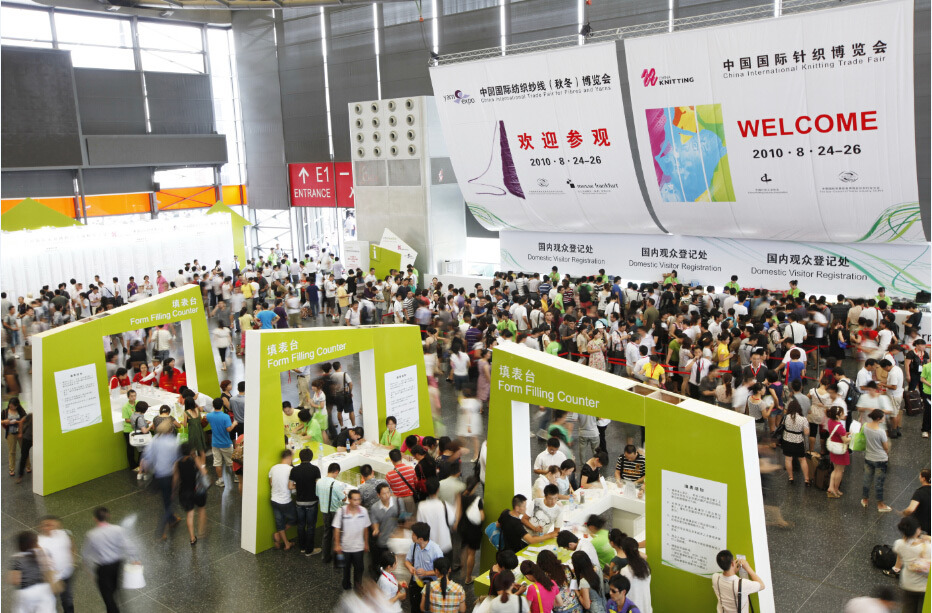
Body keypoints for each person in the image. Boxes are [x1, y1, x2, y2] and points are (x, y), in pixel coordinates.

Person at [81, 507, 137, 613]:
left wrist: (90, 571)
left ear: (95, 519)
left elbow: (85, 555)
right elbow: (128, 544)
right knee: (114, 588)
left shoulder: (91, 535)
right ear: (108, 516)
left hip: (104, 568)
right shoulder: (118, 529)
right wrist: (134, 558)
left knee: (107, 596)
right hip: (117, 564)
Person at [141, 420, 180, 539]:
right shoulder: (173, 443)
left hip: (157, 475)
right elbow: (177, 462)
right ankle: (161, 530)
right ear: (170, 430)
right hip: (169, 475)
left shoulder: (154, 440)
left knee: (166, 499)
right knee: (169, 501)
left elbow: (147, 458)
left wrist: (146, 471)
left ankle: (172, 519)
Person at [8, 530, 57, 613]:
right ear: (35, 543)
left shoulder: (17, 558)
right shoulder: (44, 553)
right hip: (43, 591)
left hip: (24, 594)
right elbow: (50, 572)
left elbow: (15, 581)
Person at [333, 489, 371, 591]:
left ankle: (358, 588)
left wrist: (366, 543)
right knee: (346, 569)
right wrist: (337, 544)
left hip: (358, 547)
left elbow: (366, 528)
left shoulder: (363, 511)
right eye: (355, 500)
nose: (357, 502)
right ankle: (346, 585)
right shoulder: (341, 511)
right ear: (349, 500)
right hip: (345, 547)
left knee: (359, 569)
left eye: (359, 499)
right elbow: (336, 529)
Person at [891, 516, 931, 612]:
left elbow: (902, 547)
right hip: (924, 586)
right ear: (917, 530)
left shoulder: (899, 544)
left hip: (908, 583)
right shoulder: (928, 547)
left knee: (908, 608)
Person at [37, 516, 75, 613]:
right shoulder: (39, 542)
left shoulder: (64, 534)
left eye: (51, 525)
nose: (49, 527)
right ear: (41, 527)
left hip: (66, 574)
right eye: (46, 525)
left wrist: (72, 562)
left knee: (67, 600)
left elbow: (71, 548)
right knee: (50, 602)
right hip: (51, 578)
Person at [404, 522, 445, 613]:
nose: (412, 535)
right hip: (415, 583)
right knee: (415, 608)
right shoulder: (414, 546)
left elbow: (442, 570)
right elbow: (407, 561)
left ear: (421, 539)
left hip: (431, 585)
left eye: (413, 534)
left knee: (428, 609)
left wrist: (426, 573)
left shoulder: (436, 550)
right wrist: (410, 567)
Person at [289, 448, 322, 556]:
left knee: (300, 525)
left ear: (300, 457)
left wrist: (298, 486)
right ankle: (309, 550)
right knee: (311, 526)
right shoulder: (315, 469)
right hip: (312, 501)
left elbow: (290, 486)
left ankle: (302, 547)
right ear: (311, 457)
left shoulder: (294, 470)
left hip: (299, 502)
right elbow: (318, 485)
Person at [175, 442, 208, 545]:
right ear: (190, 451)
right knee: (201, 509)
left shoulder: (177, 463)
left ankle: (192, 538)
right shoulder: (195, 460)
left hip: (185, 491)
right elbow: (204, 472)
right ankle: (201, 531)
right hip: (196, 490)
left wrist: (173, 491)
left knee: (190, 514)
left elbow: (176, 479)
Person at [861, 409, 893, 512]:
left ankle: (865, 500)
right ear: (879, 419)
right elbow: (885, 447)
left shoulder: (865, 426)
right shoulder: (881, 431)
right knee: (879, 483)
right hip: (880, 459)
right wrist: (886, 453)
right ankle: (880, 505)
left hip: (868, 457)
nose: (884, 418)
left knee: (867, 479)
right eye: (883, 417)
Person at [416, 477, 455, 556]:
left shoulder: (421, 506)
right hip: (444, 545)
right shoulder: (444, 505)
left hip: (429, 547)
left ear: (426, 490)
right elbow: (451, 520)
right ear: (438, 490)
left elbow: (419, 525)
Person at [317, 462, 347, 563]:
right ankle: (338, 559)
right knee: (337, 534)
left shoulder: (319, 482)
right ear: (336, 472)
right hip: (335, 512)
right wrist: (345, 494)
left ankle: (325, 557)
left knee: (327, 534)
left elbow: (317, 494)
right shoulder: (335, 484)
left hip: (325, 511)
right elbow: (343, 498)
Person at [370, 483, 402, 575]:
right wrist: (376, 529)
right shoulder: (375, 507)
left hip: (395, 539)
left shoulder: (398, 502)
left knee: (395, 562)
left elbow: (403, 517)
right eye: (384, 493)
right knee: (384, 563)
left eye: (388, 492)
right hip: (383, 540)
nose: (387, 495)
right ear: (378, 495)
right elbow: (374, 521)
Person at [205, 398, 237, 487]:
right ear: (222, 406)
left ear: (213, 405)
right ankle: (236, 477)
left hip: (215, 443)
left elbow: (205, 419)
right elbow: (228, 429)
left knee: (217, 462)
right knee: (231, 461)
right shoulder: (225, 417)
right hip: (226, 443)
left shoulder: (209, 416)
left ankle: (220, 480)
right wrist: (234, 424)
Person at [780, 399, 810, 485]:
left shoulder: (786, 417)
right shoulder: (803, 419)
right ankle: (806, 479)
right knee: (802, 460)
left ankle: (791, 477)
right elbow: (806, 433)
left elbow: (782, 426)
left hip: (787, 440)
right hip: (798, 441)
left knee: (788, 459)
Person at [619, 537, 651, 612]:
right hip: (646, 608)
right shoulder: (646, 567)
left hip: (633, 609)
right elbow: (645, 556)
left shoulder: (625, 571)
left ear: (624, 551)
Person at [825, 406, 851, 499]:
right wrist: (853, 437)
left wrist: (845, 434)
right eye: (842, 413)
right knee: (839, 471)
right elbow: (845, 440)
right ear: (837, 415)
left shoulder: (830, 421)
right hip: (840, 450)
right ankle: (835, 489)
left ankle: (831, 487)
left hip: (833, 449)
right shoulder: (839, 426)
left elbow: (837, 434)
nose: (844, 414)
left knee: (835, 469)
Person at [2, 397, 28, 477]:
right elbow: (1, 420)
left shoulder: (21, 411)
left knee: (24, 450)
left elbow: (26, 419)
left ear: (17, 406)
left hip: (20, 433)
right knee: (12, 452)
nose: (11, 407)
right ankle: (11, 469)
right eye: (10, 405)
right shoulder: (5, 412)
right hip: (10, 434)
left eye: (13, 406)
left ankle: (28, 466)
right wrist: (4, 421)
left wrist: (18, 421)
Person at [901, 468, 930, 535]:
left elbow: (910, 509)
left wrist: (904, 512)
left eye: (920, 476)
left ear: (923, 479)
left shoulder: (920, 492)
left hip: (922, 526)